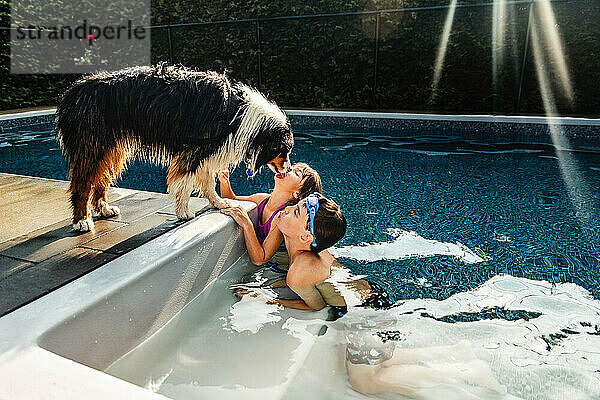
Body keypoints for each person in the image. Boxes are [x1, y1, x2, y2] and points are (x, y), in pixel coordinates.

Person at [222, 193, 392, 313]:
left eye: (295, 212)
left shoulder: (299, 271)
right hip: (373, 292)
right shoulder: (316, 252)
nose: (287, 209)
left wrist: (263, 298)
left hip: (367, 311)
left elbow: (315, 306)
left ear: (305, 237)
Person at [218, 162, 321, 267]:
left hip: (282, 265)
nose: (287, 168)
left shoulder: (283, 217)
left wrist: (247, 225)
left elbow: (260, 259)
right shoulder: (261, 199)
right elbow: (232, 200)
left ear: (297, 194)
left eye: (295, 172)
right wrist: (224, 182)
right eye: (291, 167)